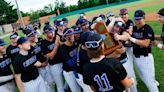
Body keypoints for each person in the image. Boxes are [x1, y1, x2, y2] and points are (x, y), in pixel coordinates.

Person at [124, 10, 159, 92]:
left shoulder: (148, 28)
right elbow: (130, 42)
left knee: (150, 82)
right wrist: (126, 39)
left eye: (139, 19)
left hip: (145, 59)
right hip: (136, 58)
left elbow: (146, 43)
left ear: (144, 18)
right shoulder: (134, 28)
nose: (137, 21)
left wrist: (131, 38)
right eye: (136, 19)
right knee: (143, 77)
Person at [107, 19, 138, 92]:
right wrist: (114, 19)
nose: (117, 29)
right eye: (116, 26)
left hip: (124, 62)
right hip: (115, 65)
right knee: (121, 85)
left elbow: (127, 36)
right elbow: (107, 29)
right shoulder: (109, 34)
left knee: (131, 82)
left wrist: (119, 37)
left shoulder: (122, 34)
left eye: (119, 28)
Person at [41, 27, 65, 92]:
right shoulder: (43, 43)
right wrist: (56, 45)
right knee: (60, 85)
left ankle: (66, 88)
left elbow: (64, 44)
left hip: (63, 62)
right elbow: (50, 57)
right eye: (50, 32)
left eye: (53, 31)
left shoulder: (56, 38)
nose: (53, 33)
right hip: (54, 66)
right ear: (45, 34)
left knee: (68, 78)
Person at [58, 28, 81, 92]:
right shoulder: (62, 49)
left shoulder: (76, 43)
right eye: (69, 35)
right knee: (76, 90)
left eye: (72, 34)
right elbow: (70, 63)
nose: (72, 36)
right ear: (65, 37)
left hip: (78, 69)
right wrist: (79, 51)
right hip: (69, 73)